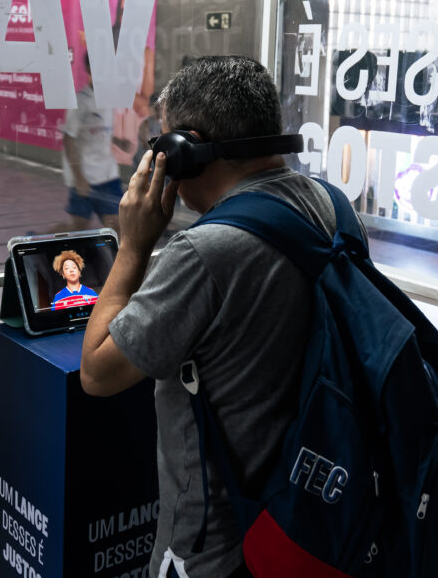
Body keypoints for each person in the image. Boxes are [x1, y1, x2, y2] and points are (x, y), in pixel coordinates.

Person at [80, 56, 338, 578]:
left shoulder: (205, 251)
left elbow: (98, 373)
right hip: (304, 500)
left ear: (186, 150)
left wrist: (132, 246)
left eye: (163, 143)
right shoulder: (328, 204)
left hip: (215, 539)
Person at [56, 53, 122, 234]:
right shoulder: (80, 101)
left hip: (109, 177)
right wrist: (79, 177)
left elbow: (102, 134)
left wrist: (121, 143)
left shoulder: (109, 99)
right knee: (77, 227)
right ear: (88, 70)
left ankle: (113, 262)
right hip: (86, 177)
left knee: (118, 226)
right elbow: (69, 141)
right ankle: (34, 241)